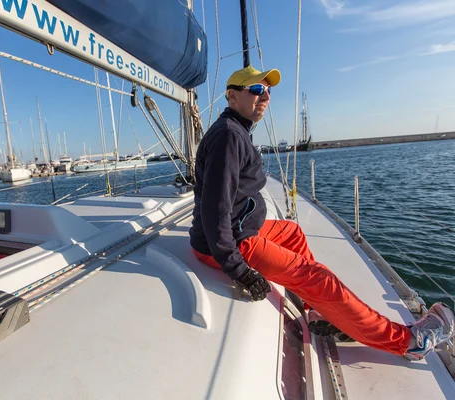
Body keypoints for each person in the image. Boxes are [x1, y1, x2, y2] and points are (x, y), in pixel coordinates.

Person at [189, 65, 454, 360]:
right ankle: (409, 342)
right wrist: (240, 271)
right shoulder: (229, 136)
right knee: (319, 278)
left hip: (240, 230)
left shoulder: (236, 131)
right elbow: (215, 212)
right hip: (232, 243)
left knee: (292, 231)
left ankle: (317, 310)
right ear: (232, 96)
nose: (264, 96)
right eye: (255, 89)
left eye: (267, 91)